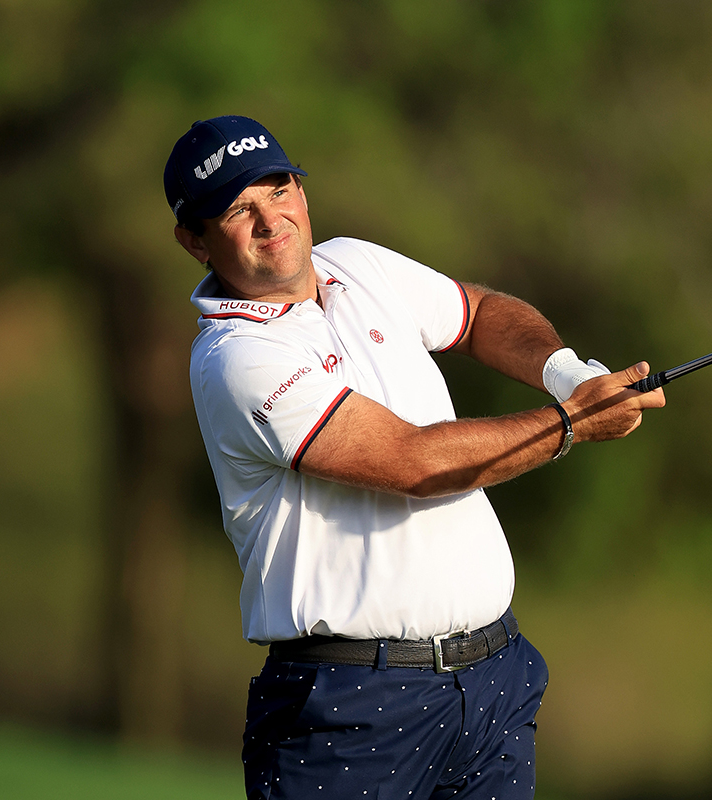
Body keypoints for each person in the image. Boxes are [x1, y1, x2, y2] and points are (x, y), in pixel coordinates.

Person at [164, 115, 665, 800]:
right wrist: (572, 423)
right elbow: (412, 463)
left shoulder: (358, 265)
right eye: (236, 209)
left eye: (277, 190)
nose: (269, 218)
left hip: (495, 683)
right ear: (195, 241)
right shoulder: (236, 359)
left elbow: (479, 311)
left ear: (302, 194)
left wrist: (568, 374)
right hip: (353, 710)